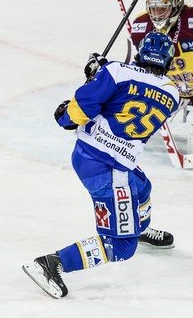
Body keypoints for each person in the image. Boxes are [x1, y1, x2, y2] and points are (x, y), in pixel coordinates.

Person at [22, 31, 179, 299]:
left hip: (95, 157)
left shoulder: (116, 71)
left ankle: (134, 225)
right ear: (168, 62)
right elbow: (139, 92)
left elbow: (81, 109)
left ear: (140, 54)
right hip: (109, 167)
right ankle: (52, 262)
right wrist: (102, 73)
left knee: (142, 187)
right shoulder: (173, 94)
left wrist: (94, 81)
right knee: (122, 247)